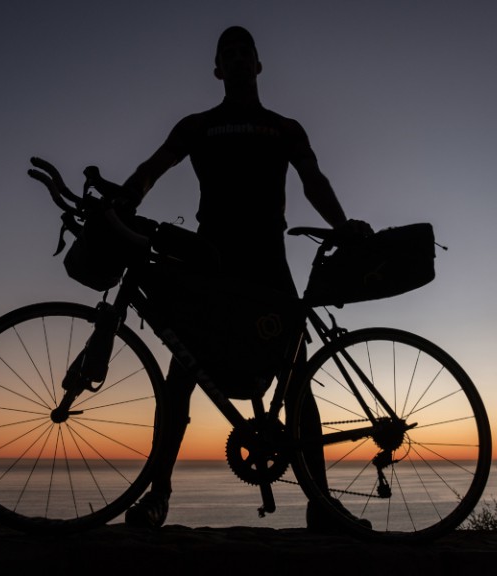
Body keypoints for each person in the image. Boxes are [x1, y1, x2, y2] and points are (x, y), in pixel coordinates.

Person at [120, 26, 369, 530]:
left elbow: (313, 179)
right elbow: (153, 167)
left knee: (297, 382)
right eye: (226, 53)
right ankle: (158, 496)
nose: (235, 59)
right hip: (209, 264)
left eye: (244, 52)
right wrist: (123, 202)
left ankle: (320, 503)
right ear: (217, 68)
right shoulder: (197, 126)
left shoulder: (284, 128)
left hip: (268, 263)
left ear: (257, 65)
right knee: (181, 378)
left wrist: (342, 224)